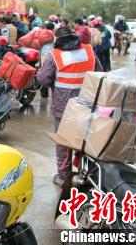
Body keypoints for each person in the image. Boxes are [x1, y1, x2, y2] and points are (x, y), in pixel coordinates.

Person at [37, 27, 103, 186]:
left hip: (64, 106)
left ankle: (64, 176)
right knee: (86, 140)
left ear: (57, 38)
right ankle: (86, 175)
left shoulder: (55, 55)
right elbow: (100, 73)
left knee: (64, 141)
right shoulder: (88, 50)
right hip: (87, 104)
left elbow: (43, 79)